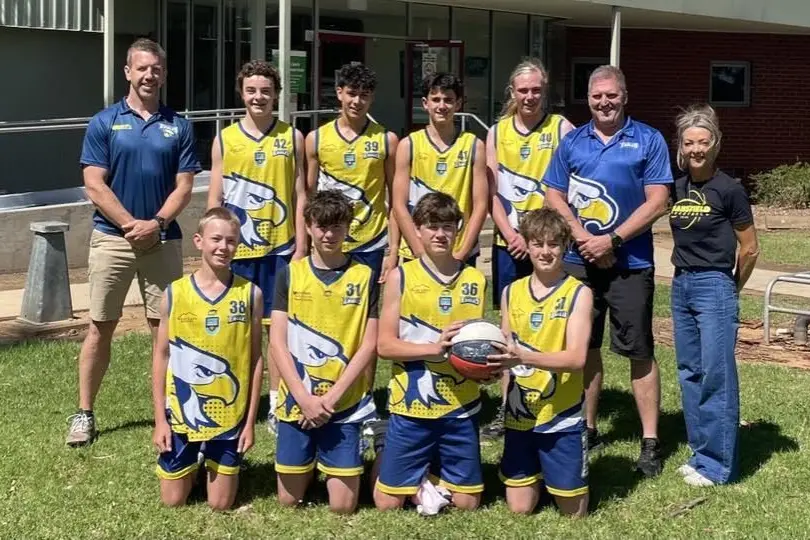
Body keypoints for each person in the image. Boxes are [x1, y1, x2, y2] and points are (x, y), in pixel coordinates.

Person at [68, 38, 200, 446]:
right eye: (141, 68)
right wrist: (131, 225)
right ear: (127, 72)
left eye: (156, 69)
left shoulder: (179, 125)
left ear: (164, 73)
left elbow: (185, 186)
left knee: (165, 331)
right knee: (99, 328)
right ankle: (84, 414)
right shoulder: (105, 122)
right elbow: (94, 183)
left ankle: (169, 413)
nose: (149, 75)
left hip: (163, 241)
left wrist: (156, 223)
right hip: (113, 240)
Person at [543, 65, 672, 477]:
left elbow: (658, 201)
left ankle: (650, 440)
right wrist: (582, 236)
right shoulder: (573, 141)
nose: (604, 102)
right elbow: (553, 192)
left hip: (630, 264)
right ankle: (587, 427)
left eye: (611, 95)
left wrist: (611, 240)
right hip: (579, 263)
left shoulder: (648, 139)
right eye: (597, 96)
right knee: (586, 348)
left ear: (625, 95)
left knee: (639, 350)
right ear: (589, 98)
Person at [207, 60, 307, 435]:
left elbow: (300, 194)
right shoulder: (225, 138)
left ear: (276, 95)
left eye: (265, 91)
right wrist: (214, 243)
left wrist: (301, 245)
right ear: (241, 93)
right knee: (240, 331)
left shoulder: (292, 138)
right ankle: (239, 401)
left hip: (281, 249)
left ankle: (278, 404)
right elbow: (216, 195)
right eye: (251, 90)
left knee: (280, 332)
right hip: (238, 251)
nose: (258, 97)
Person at [374, 192, 489, 512]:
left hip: (459, 404)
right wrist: (434, 349)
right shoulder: (401, 276)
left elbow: (477, 341)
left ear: (458, 231)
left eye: (448, 227)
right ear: (418, 230)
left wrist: (488, 367)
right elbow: (384, 346)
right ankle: (385, 445)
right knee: (387, 503)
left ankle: (425, 473)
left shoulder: (475, 279)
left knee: (468, 503)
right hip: (411, 404)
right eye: (432, 226)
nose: (441, 234)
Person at [482, 58, 575, 441]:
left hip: (549, 246)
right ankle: (508, 408)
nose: (530, 96)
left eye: (536, 89)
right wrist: (511, 233)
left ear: (545, 90)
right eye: (523, 90)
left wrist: (545, 239)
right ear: (512, 93)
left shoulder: (562, 128)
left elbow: (572, 186)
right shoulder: (497, 132)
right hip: (512, 245)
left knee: (554, 324)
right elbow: (489, 193)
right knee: (511, 328)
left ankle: (557, 403)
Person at [270, 190, 379, 514]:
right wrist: (304, 398)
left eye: (337, 226)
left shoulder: (365, 275)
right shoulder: (290, 273)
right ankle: (311, 458)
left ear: (347, 228)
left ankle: (364, 448)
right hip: (298, 401)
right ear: (307, 226)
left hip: (341, 403)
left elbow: (369, 344)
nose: (329, 234)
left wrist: (329, 401)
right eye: (321, 226)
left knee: (344, 506)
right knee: (289, 501)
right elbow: (277, 341)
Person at [669, 104, 758, 486]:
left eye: (703, 142)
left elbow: (750, 247)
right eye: (689, 142)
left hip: (714, 285)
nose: (696, 149)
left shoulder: (729, 189)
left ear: (715, 144)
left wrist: (730, 287)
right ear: (681, 147)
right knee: (690, 372)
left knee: (716, 376)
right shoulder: (676, 186)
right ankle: (699, 453)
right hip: (680, 284)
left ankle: (718, 466)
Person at [151, 207, 264, 511]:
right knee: (173, 502)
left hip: (229, 416)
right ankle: (194, 459)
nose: (223, 247)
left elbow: (255, 360)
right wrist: (160, 420)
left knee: (220, 505)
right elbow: (161, 357)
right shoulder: (174, 294)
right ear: (199, 241)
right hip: (180, 415)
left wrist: (250, 422)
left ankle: (211, 460)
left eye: (230, 241)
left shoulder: (250, 294)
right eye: (216, 239)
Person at [305, 63, 399, 427]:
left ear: (371, 97)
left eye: (364, 94)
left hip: (371, 244)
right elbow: (309, 197)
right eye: (351, 93)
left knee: (369, 327)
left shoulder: (385, 140)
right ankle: (325, 389)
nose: (357, 100)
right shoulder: (316, 139)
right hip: (329, 246)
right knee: (328, 321)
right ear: (339, 93)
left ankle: (365, 400)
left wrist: (392, 252)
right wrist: (308, 244)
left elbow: (396, 198)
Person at [488, 207, 593, 517]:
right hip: (521, 414)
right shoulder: (510, 292)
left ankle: (558, 473)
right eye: (538, 243)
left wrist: (525, 357)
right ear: (527, 245)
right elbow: (506, 356)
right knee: (519, 509)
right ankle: (541, 474)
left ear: (565, 247)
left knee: (574, 513)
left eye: (553, 244)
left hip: (560, 415)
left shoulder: (579, 293)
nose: (545, 252)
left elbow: (576, 359)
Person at [392, 73, 488, 267]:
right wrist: (419, 251)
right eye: (435, 99)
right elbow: (398, 205)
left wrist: (462, 252)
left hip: (459, 249)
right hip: (417, 251)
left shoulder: (473, 145)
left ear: (458, 104)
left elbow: (480, 205)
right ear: (425, 103)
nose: (442, 106)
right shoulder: (408, 145)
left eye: (448, 100)